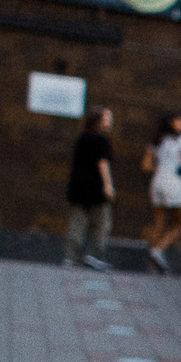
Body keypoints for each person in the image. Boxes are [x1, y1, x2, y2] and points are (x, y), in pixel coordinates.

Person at [65, 105, 115, 269]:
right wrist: (108, 185)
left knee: (77, 223)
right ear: (99, 121)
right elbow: (103, 163)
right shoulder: (101, 140)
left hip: (79, 187)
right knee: (102, 224)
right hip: (96, 189)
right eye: (107, 118)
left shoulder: (82, 138)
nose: (110, 121)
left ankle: (71, 258)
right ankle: (94, 256)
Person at [143, 113, 181, 271]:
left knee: (159, 222)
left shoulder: (156, 141)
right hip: (174, 182)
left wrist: (160, 168)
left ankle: (151, 262)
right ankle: (158, 250)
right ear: (172, 123)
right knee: (180, 223)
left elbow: (146, 166)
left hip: (157, 181)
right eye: (179, 120)